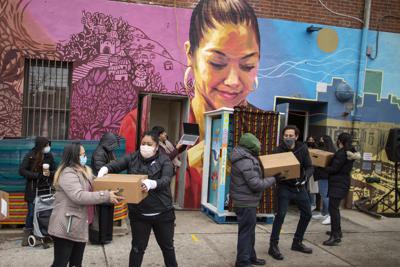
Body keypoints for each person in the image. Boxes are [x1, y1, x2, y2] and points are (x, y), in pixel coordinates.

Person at [182, 0, 261, 209]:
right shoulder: (136, 122)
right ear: (190, 54)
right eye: (217, 63)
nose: (233, 81)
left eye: (247, 65)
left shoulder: (261, 127)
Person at [97, 131, 178, 267]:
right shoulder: (132, 158)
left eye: (149, 144)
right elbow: (117, 164)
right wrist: (105, 168)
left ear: (156, 146)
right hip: (139, 214)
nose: (145, 146)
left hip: (163, 213)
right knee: (137, 249)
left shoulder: (164, 160)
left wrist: (152, 183)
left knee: (167, 248)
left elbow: (166, 179)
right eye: (143, 143)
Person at [48, 142, 123, 267]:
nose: (85, 157)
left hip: (79, 224)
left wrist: (112, 192)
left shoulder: (85, 171)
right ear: (74, 156)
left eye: (84, 154)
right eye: (82, 154)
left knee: (76, 263)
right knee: (60, 263)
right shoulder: (68, 173)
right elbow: (79, 196)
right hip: (66, 225)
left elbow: (97, 186)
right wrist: (106, 195)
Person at [230, 133, 279, 267]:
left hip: (245, 201)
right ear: (250, 145)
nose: (259, 146)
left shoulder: (244, 156)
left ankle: (250, 257)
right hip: (245, 202)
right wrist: (274, 179)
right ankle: (242, 262)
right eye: (257, 143)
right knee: (246, 233)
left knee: (249, 232)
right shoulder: (245, 161)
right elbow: (256, 184)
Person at [268, 125, 314, 260]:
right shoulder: (278, 150)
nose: (288, 138)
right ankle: (273, 246)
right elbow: (272, 169)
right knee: (280, 215)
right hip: (284, 187)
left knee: (307, 214)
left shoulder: (302, 148)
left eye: (291, 136)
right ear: (283, 136)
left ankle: (297, 242)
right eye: (286, 136)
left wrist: (306, 176)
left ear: (296, 136)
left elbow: (310, 166)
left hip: (300, 187)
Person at [315, 133, 360, 246]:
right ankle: (337, 232)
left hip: (337, 184)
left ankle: (335, 236)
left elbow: (334, 169)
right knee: (335, 209)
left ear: (339, 141)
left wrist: (321, 167)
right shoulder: (350, 152)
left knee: (333, 210)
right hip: (342, 182)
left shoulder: (341, 153)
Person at [19, 136, 56, 246]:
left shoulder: (49, 155)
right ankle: (27, 236)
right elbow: (22, 171)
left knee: (45, 212)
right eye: (46, 145)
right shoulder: (30, 156)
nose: (48, 147)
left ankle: (43, 233)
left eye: (49, 145)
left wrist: (50, 174)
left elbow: (55, 169)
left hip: (46, 189)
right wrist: (37, 175)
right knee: (31, 213)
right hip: (33, 189)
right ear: (40, 146)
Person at [152, 126, 187, 202]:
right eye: (163, 133)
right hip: (163, 172)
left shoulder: (167, 142)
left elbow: (175, 151)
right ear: (158, 136)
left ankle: (168, 204)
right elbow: (167, 158)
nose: (165, 134)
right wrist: (177, 148)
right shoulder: (157, 146)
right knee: (165, 191)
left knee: (171, 191)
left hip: (171, 170)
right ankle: (165, 205)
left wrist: (184, 143)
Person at [312, 135, 336, 225]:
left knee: (325, 195)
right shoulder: (326, 150)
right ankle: (324, 213)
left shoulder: (328, 152)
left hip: (325, 176)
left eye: (322, 140)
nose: (320, 142)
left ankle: (331, 215)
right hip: (321, 175)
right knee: (323, 195)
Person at [305, 136, 318, 211]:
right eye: (309, 140)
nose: (311, 141)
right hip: (305, 170)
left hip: (313, 171)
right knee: (305, 188)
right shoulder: (304, 148)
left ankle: (312, 204)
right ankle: (307, 204)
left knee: (312, 189)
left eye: (312, 140)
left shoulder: (316, 150)